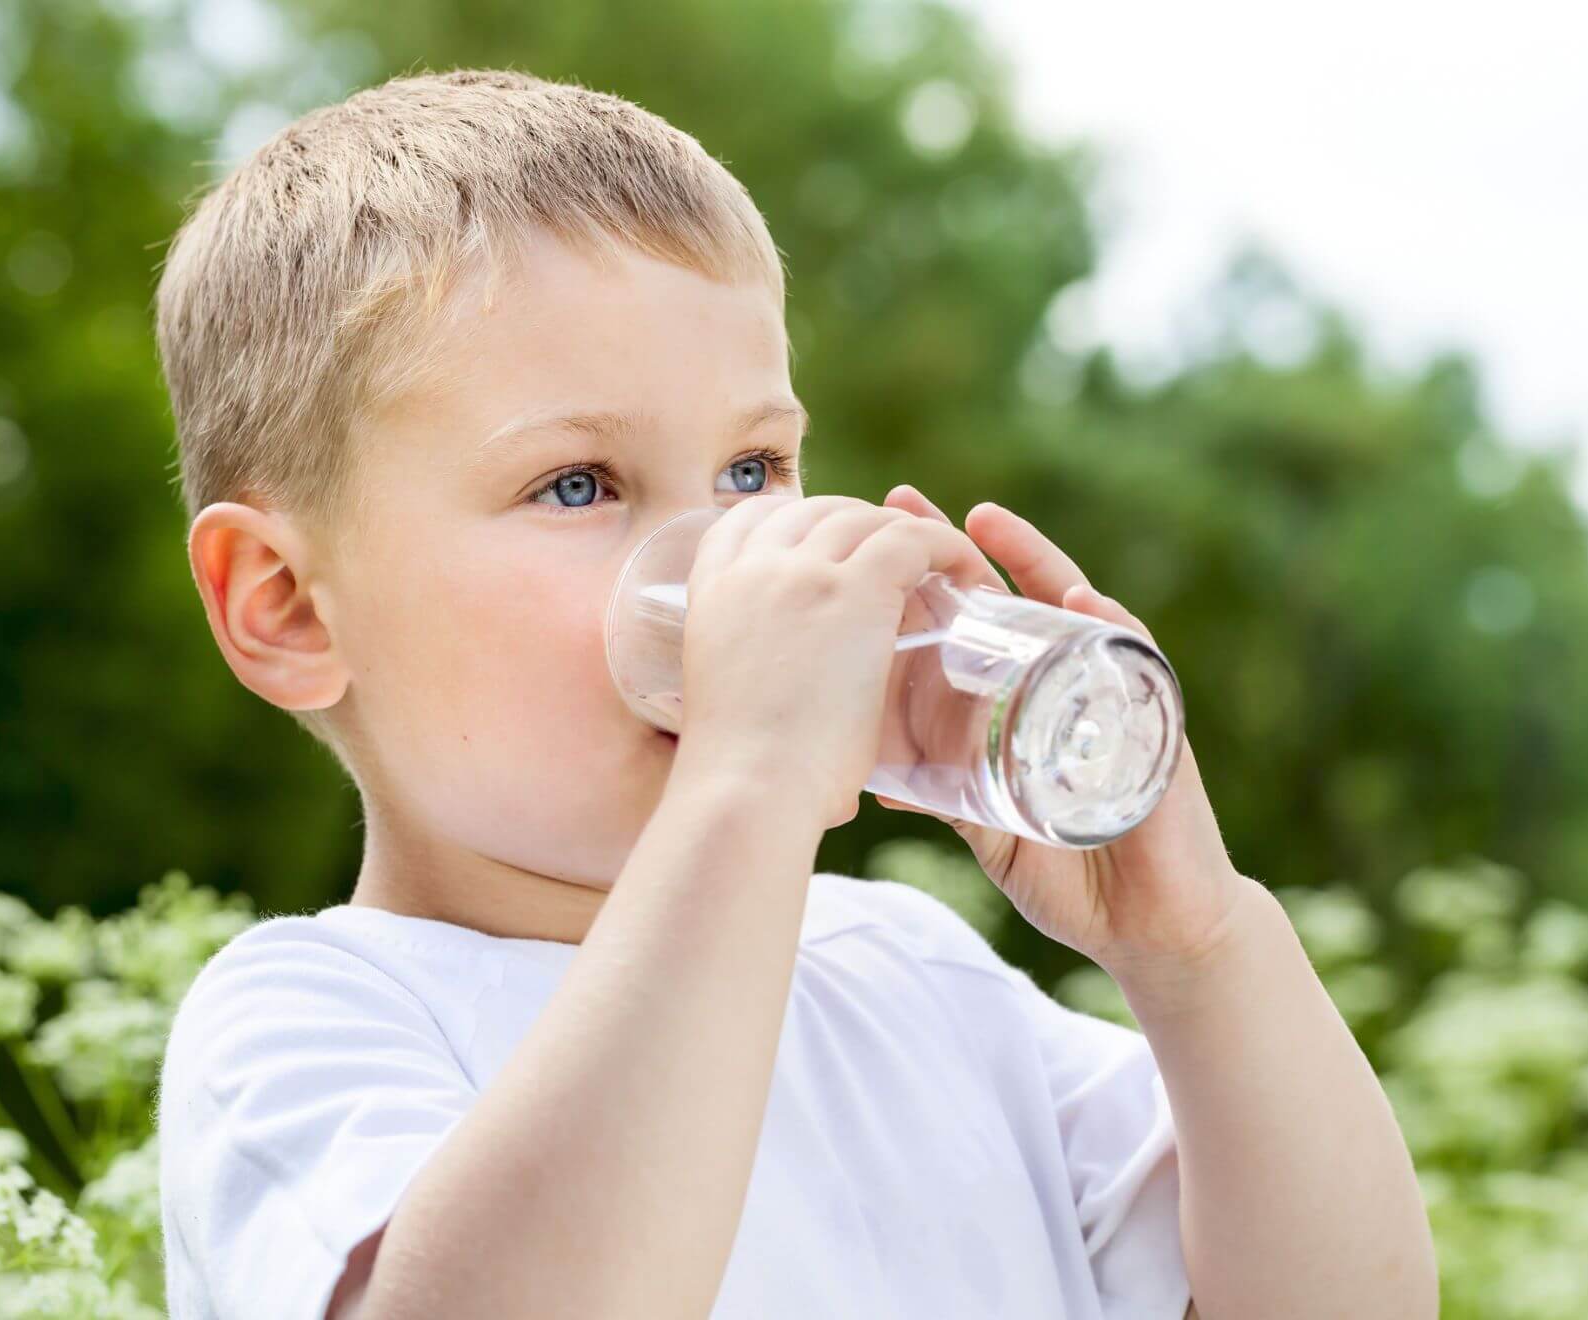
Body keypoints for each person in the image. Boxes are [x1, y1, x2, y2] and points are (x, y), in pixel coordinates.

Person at [148, 68, 1437, 1319]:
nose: (723, 560)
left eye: (754, 471)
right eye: (580, 484)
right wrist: (747, 785)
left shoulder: (909, 975)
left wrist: (1197, 952)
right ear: (290, 606)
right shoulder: (310, 1019)